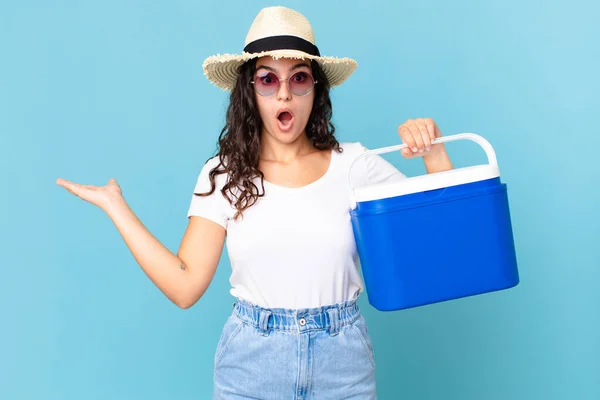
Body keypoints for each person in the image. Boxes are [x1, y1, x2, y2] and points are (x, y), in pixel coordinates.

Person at [56, 6, 454, 399]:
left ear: (316, 89)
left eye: (299, 78)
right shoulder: (225, 173)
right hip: (252, 365)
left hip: (342, 366)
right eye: (268, 79)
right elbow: (184, 285)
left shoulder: (355, 164)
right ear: (250, 90)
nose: (284, 92)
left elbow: (444, 235)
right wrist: (115, 207)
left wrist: (433, 151)